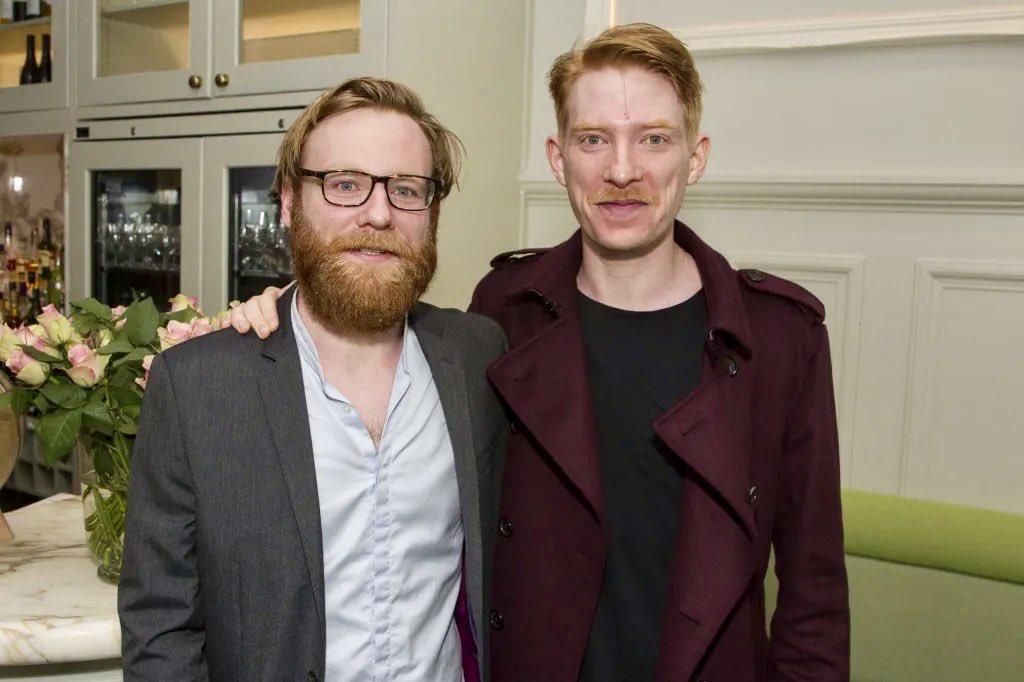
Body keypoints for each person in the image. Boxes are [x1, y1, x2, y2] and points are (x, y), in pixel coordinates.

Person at [231, 23, 850, 682]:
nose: (621, 170)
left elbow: (813, 596)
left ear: (694, 158)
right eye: (593, 140)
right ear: (558, 158)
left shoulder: (780, 338)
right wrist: (286, 307)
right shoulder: (502, 313)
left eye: (654, 139)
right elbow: (375, 332)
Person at [119, 77, 507, 682]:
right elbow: (160, 624)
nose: (378, 213)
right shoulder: (199, 388)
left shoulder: (478, 356)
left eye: (407, 189)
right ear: (289, 202)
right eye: (345, 184)